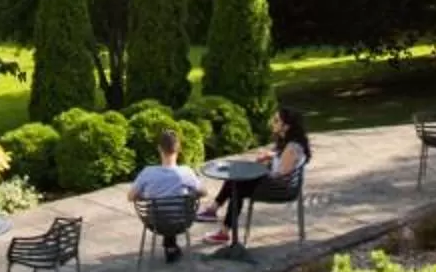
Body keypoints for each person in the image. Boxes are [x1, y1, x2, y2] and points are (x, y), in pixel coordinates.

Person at [206, 106, 311, 249]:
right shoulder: (287, 143)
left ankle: (220, 226)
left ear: (286, 127)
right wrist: (270, 157)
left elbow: (281, 173)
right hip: (274, 184)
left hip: (279, 188)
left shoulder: (292, 148)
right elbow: (281, 162)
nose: (272, 123)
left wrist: (260, 171)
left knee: (237, 186)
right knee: (235, 179)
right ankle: (215, 214)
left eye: (276, 121)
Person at [129, 127, 207, 262]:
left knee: (163, 208)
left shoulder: (148, 172)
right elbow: (204, 192)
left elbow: (130, 197)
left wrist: (144, 196)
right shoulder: (186, 172)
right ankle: (171, 247)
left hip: (155, 222)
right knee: (177, 205)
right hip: (181, 221)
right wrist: (190, 194)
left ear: (159, 149)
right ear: (179, 149)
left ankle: (170, 247)